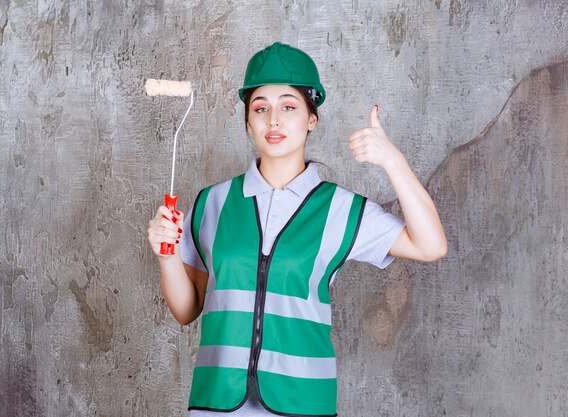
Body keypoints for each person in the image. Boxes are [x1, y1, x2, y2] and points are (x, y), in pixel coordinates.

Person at [147, 42, 447, 417]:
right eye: (260, 108)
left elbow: (431, 245)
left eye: (288, 106)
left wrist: (392, 160)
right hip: (216, 404)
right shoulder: (212, 203)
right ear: (247, 121)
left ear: (311, 118)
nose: (273, 120)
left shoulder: (340, 208)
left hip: (303, 404)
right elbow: (187, 309)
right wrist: (167, 255)